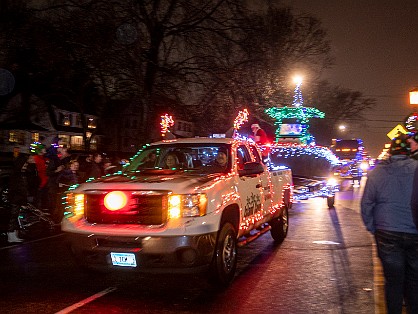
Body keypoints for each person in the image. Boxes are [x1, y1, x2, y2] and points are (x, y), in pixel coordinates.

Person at [361, 133, 418, 314]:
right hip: (414, 232)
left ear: (391, 151)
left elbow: (366, 204)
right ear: (408, 151)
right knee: (414, 281)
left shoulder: (377, 172)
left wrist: (373, 228)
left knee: (393, 281)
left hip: (387, 231)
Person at [7, 152, 29, 243]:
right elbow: (18, 189)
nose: (26, 165)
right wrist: (22, 201)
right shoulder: (16, 175)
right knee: (13, 217)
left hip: (17, 199)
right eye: (25, 163)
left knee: (16, 217)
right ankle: (11, 235)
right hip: (16, 199)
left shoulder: (20, 174)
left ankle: (14, 235)